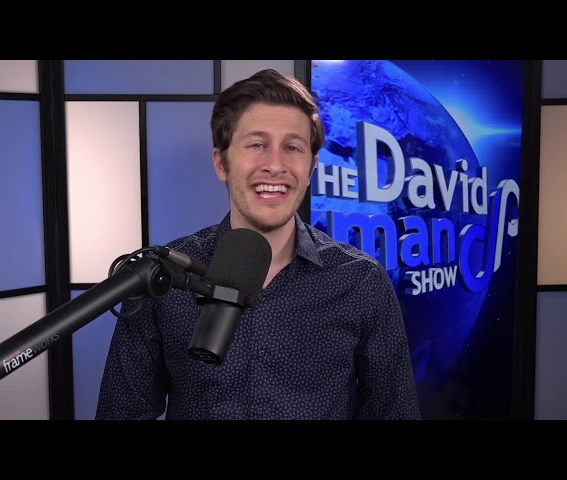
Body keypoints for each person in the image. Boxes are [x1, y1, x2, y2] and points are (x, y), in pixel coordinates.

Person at [95, 69, 421, 420]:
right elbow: (122, 413)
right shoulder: (164, 278)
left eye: (292, 147)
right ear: (221, 162)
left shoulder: (361, 281)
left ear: (311, 169)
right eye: (257, 145)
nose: (275, 165)